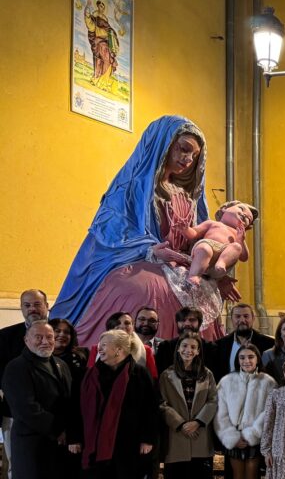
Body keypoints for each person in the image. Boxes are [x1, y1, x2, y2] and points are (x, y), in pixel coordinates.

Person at [52, 116, 241, 344]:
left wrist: (214, 273)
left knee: (201, 290)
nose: (188, 159)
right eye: (183, 149)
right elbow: (111, 231)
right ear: (162, 144)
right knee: (140, 288)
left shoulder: (187, 193)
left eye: (194, 155)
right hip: (136, 257)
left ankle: (190, 357)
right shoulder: (130, 187)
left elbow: (202, 238)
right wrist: (150, 250)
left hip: (179, 265)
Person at [2, 322, 83, 479]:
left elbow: (69, 403)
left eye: (49, 337)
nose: (45, 341)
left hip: (56, 442)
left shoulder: (60, 364)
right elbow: (26, 408)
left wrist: (68, 431)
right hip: (30, 441)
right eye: (38, 337)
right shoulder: (16, 367)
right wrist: (58, 430)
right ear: (26, 340)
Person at [74, 329, 160, 479]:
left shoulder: (138, 374)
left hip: (128, 445)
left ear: (119, 350)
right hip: (98, 447)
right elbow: (78, 409)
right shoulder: (91, 375)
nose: (99, 348)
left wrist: (148, 439)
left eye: (104, 345)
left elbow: (151, 408)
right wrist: (76, 438)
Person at [158, 333, 218, 479]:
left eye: (193, 347)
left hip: (199, 435)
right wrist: (181, 423)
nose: (188, 350)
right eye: (185, 346)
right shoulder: (167, 375)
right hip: (177, 436)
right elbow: (162, 403)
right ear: (178, 348)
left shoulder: (206, 374)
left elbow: (213, 400)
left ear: (198, 351)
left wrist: (198, 422)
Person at [214, 344, 276, 479]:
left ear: (257, 359)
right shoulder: (226, 381)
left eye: (250, 357)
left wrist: (252, 434)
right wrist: (232, 436)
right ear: (237, 360)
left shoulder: (268, 382)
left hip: (254, 439)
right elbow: (220, 412)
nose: (246, 361)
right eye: (242, 357)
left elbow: (269, 411)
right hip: (234, 437)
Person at [0, 290, 51, 479]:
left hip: (50, 414)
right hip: (14, 412)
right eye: (27, 305)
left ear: (47, 306)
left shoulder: (60, 331)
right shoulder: (6, 336)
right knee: (18, 465)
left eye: (37, 304)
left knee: (50, 465)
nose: (32, 309)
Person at [50, 318, 90, 479]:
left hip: (73, 430)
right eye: (57, 330)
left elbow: (77, 401)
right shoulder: (39, 360)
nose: (62, 335)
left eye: (66, 332)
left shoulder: (78, 359)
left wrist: (73, 435)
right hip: (48, 430)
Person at [210, 304, 275, 382]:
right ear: (231, 319)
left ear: (253, 318)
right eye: (237, 316)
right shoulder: (219, 345)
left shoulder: (269, 344)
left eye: (246, 316)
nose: (242, 320)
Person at [87, 311, 158, 378]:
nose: (123, 326)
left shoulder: (146, 350)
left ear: (133, 327)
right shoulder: (96, 348)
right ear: (110, 327)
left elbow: (153, 378)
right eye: (117, 323)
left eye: (127, 323)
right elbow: (89, 375)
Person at [155, 307, 217, 375]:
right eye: (182, 320)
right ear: (177, 323)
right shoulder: (165, 347)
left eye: (192, 320)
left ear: (199, 323)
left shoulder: (210, 348)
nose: (187, 323)